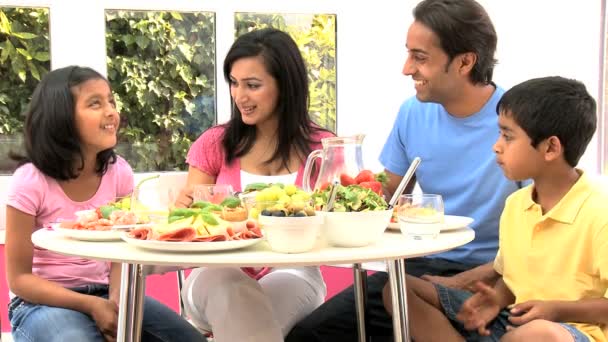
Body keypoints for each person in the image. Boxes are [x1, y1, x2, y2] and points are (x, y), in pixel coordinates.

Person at [286, 0, 522, 340]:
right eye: (408, 54)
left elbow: (543, 237)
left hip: (496, 276)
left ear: (465, 62)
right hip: (418, 268)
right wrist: (348, 192)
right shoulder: (412, 113)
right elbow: (385, 198)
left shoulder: (519, 119)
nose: (406, 68)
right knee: (310, 336)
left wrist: (461, 282)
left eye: (420, 57)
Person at [390, 76, 607, 342]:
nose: (496, 146)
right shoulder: (517, 205)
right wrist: (495, 301)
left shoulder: (599, 212)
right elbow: (514, 277)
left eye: (507, 136)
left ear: (550, 147)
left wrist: (555, 310)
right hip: (513, 321)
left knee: (541, 333)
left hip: (571, 331)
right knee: (399, 290)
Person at [5, 66, 206, 342]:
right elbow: (19, 280)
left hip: (105, 292)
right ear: (61, 117)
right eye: (95, 103)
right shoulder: (30, 181)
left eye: (110, 101)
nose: (111, 111)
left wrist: (116, 306)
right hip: (41, 304)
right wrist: (92, 306)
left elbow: (120, 256)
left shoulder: (118, 172)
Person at [174, 28, 335, 342]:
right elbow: (192, 228)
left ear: (285, 86)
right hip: (214, 272)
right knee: (232, 290)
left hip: (293, 272)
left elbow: (334, 225)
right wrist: (185, 213)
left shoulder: (322, 148)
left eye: (253, 85)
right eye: (234, 83)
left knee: (247, 317)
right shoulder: (214, 144)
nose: (239, 96)